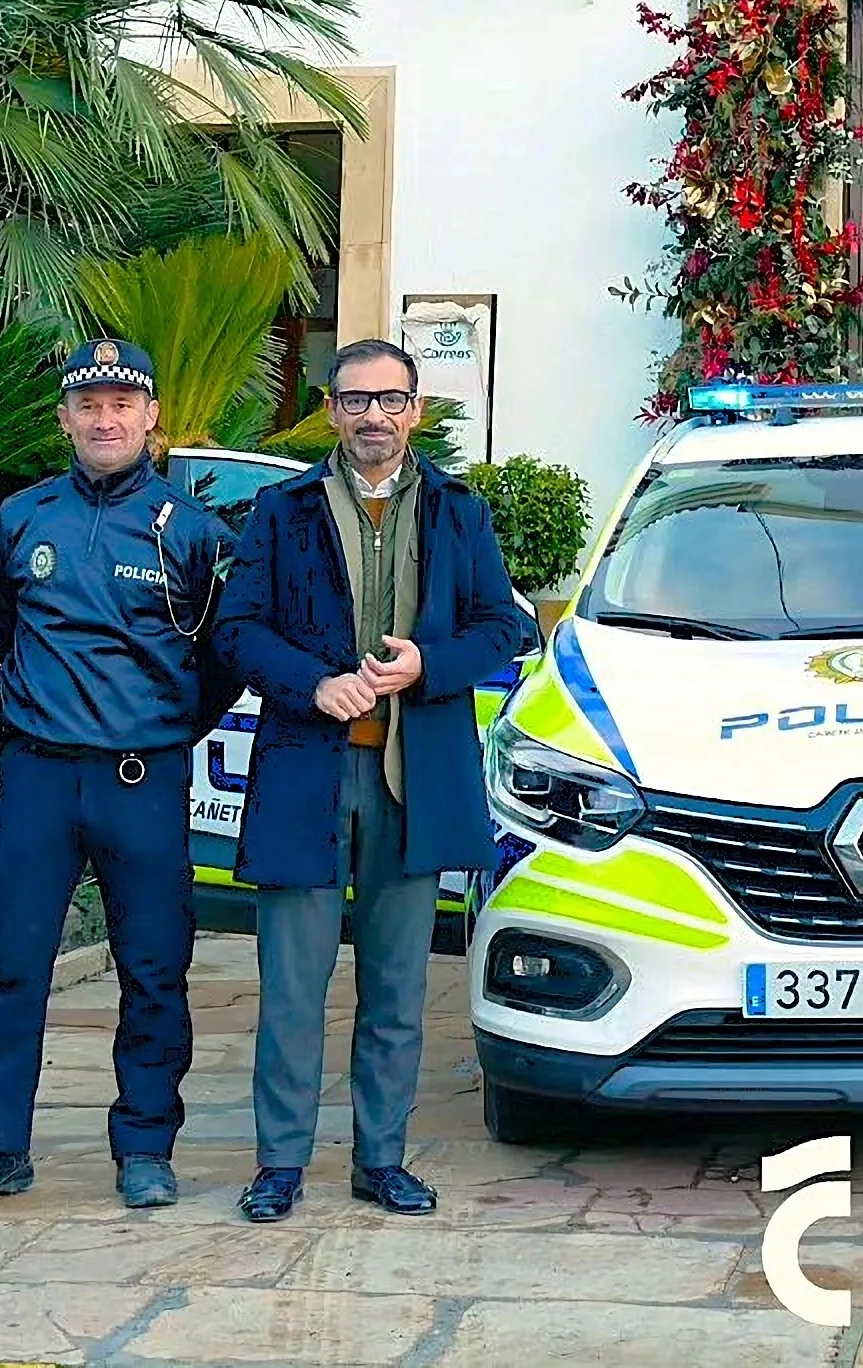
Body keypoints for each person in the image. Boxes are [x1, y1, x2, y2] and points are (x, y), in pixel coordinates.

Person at [216, 338, 528, 1223]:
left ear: (415, 410)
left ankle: (380, 1159)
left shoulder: (460, 514)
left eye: (389, 400)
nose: (373, 417)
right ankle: (280, 1163)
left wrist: (427, 663)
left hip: (413, 776)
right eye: (355, 401)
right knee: (292, 985)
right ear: (331, 409)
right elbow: (237, 631)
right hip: (307, 773)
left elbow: (500, 628)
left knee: (396, 986)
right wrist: (312, 683)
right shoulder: (282, 512)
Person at [0, 339, 234, 1214]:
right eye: (88, 405)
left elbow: (221, 659)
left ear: (151, 420)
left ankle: (145, 1146)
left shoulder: (195, 531)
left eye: (121, 405)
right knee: (12, 970)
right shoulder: (21, 517)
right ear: (64, 419)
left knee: (152, 971)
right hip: (36, 778)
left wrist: (165, 726)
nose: (105, 420)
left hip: (143, 778)